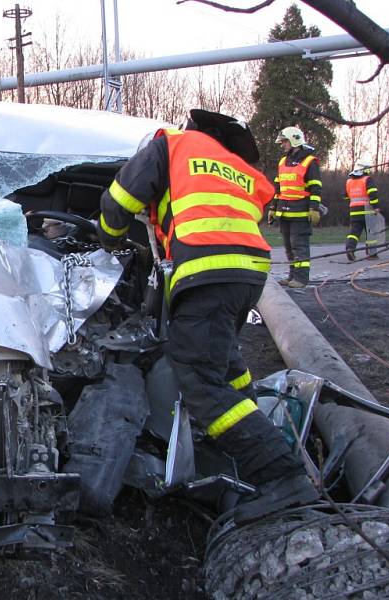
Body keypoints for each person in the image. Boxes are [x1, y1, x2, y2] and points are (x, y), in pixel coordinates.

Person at [96, 109, 319, 523]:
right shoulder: (238, 167)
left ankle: (281, 474)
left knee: (197, 376)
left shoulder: (172, 143)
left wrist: (107, 240)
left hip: (206, 269)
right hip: (248, 274)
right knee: (225, 365)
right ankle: (246, 444)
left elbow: (121, 196)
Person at [268, 127, 322, 288]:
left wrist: (314, 208)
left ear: (294, 140)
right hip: (284, 212)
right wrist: (273, 208)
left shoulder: (309, 161)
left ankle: (301, 278)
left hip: (301, 212)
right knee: (289, 247)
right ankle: (292, 276)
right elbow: (278, 188)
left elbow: (316, 188)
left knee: (300, 247)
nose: (282, 145)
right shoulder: (282, 161)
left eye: (284, 141)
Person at [344, 158, 381, 261]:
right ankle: (371, 254)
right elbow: (372, 193)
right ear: (364, 169)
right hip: (367, 211)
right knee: (371, 233)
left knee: (354, 232)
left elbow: (346, 197)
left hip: (354, 211)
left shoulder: (348, 181)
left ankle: (350, 249)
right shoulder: (367, 179)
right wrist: (376, 207)